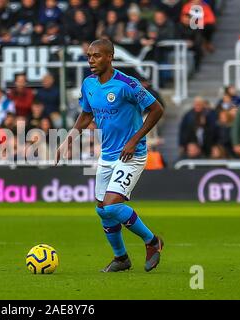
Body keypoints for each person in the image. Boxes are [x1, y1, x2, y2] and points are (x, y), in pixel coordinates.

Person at [55, 39, 165, 273]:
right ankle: (121, 258)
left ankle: (153, 242)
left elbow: (157, 109)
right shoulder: (88, 84)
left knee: (112, 206)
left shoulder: (127, 84)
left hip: (131, 154)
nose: (91, 60)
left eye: (96, 55)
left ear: (110, 57)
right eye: (88, 56)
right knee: (102, 210)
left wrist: (134, 140)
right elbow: (86, 115)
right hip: (107, 155)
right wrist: (68, 139)